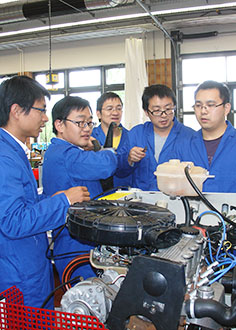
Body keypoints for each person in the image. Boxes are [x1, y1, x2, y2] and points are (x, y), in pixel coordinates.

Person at [0, 75, 90, 309]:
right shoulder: (4, 157)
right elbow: (12, 221)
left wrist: (53, 199)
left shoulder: (14, 150)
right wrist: (64, 201)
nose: (44, 119)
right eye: (41, 110)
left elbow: (25, 203)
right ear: (17, 111)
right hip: (18, 273)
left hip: (27, 262)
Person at [42, 95, 118, 283]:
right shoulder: (66, 154)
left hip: (79, 236)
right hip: (74, 242)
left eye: (90, 123)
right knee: (85, 299)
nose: (86, 129)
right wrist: (105, 150)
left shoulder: (69, 151)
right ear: (59, 125)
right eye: (80, 123)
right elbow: (106, 165)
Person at [127, 84, 196, 191]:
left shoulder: (190, 136)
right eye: (157, 110)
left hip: (178, 200)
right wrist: (129, 159)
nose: (163, 115)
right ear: (146, 112)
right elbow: (120, 171)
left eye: (168, 109)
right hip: (142, 202)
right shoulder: (136, 134)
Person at [176, 80, 236, 192]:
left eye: (210, 105)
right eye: (198, 105)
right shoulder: (183, 146)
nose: (203, 111)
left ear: (226, 108)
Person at [92, 92, 132, 189]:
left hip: (125, 192)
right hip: (99, 193)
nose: (115, 113)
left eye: (119, 108)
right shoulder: (90, 137)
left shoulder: (131, 136)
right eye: (109, 109)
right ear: (98, 114)